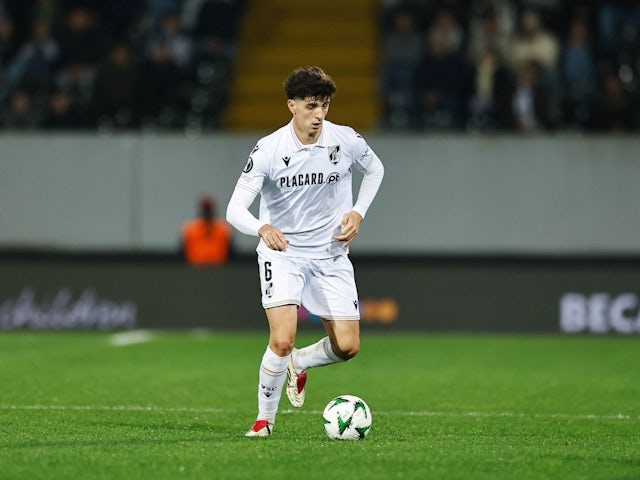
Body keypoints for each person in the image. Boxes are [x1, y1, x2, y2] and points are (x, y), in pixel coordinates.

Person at [225, 66, 384, 437]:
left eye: (324, 106)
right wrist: (261, 228)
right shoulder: (269, 149)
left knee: (347, 346)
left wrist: (358, 212)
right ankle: (265, 420)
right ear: (291, 106)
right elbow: (234, 210)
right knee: (281, 339)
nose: (319, 115)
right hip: (284, 254)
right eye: (311, 106)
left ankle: (300, 362)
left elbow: (375, 169)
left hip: (330, 255)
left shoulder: (344, 140)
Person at [181, 194, 232, 266]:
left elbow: (230, 252)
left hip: (218, 267)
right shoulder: (190, 229)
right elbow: (183, 252)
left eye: (208, 209)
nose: (207, 212)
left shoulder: (223, 229)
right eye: (205, 210)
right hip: (195, 267)